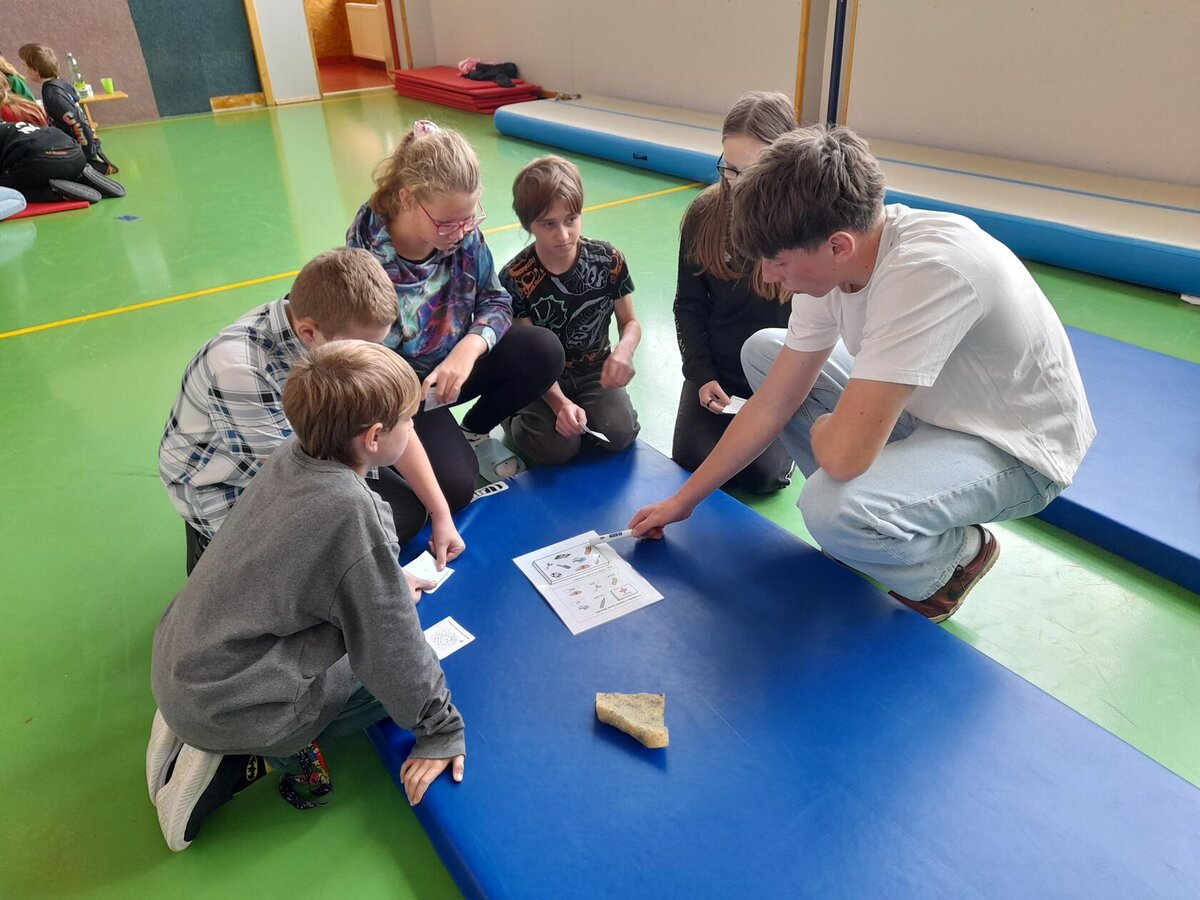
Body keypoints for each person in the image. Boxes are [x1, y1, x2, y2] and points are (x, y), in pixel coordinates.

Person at [632, 124, 1095, 623]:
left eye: (777, 261)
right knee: (765, 351)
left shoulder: (925, 273)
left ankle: (954, 560)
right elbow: (773, 401)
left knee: (828, 507)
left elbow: (843, 455)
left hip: (1015, 447)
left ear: (837, 246)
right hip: (938, 412)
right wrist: (684, 501)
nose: (767, 276)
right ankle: (865, 524)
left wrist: (830, 431)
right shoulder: (840, 260)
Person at [148, 340, 466, 851]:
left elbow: (298, 569)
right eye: (409, 422)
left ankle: (200, 726)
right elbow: (392, 649)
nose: (413, 430)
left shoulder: (290, 455)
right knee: (397, 680)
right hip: (232, 704)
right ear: (375, 437)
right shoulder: (352, 511)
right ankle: (244, 759)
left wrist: (378, 580)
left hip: (184, 664)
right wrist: (441, 729)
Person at [159, 247, 464, 576]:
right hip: (229, 486)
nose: (373, 354)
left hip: (304, 451)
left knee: (402, 513)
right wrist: (383, 581)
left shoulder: (337, 332)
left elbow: (395, 416)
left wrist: (440, 513)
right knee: (335, 548)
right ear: (308, 333)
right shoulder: (239, 370)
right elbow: (298, 480)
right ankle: (214, 552)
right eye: (364, 345)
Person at [347, 119, 564, 506]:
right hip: (406, 390)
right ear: (407, 199)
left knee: (543, 350)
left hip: (455, 367)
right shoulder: (367, 256)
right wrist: (412, 397)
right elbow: (365, 359)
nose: (462, 232)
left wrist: (468, 349)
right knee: (454, 487)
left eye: (469, 218)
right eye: (448, 223)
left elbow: (496, 301)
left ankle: (473, 431)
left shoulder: (461, 230)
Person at [672, 91, 795, 493]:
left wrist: (776, 398)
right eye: (730, 169)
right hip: (719, 377)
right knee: (690, 459)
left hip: (780, 382)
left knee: (761, 476)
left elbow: (818, 335)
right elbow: (688, 305)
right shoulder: (704, 215)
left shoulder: (803, 226)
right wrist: (701, 375)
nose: (739, 184)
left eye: (753, 171)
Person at [499, 155, 641, 464]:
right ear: (527, 224)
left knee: (619, 433)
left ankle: (580, 415)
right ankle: (509, 412)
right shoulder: (515, 277)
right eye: (548, 224)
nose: (563, 235)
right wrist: (559, 403)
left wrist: (624, 351)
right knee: (556, 449)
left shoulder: (608, 259)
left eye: (571, 219)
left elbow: (630, 322)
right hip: (539, 377)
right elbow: (529, 358)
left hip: (593, 372)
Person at [18, 43, 119, 174]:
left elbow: (77, 122)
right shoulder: (60, 84)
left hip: (76, 147)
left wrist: (87, 152)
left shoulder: (52, 94)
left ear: (36, 70)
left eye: (26, 66)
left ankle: (97, 165)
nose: (25, 70)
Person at [0, 120, 120, 203]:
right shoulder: (11, 126)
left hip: (46, 160)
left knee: (5, 191)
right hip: (76, 155)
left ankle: (54, 192)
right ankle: (79, 176)